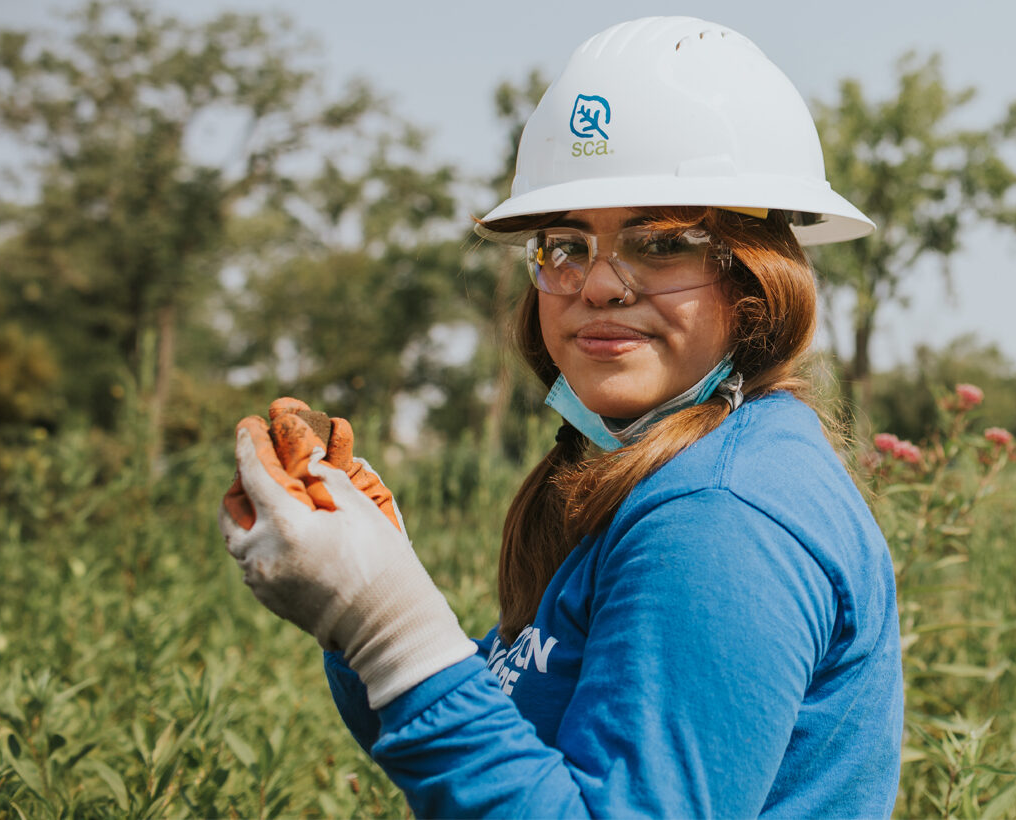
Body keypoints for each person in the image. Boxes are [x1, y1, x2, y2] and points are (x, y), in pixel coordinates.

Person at [220, 15, 903, 818]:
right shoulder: (661, 472)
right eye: (565, 244)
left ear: (755, 282)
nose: (599, 284)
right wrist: (369, 589)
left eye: (660, 242)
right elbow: (513, 754)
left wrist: (386, 627)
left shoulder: (717, 519)